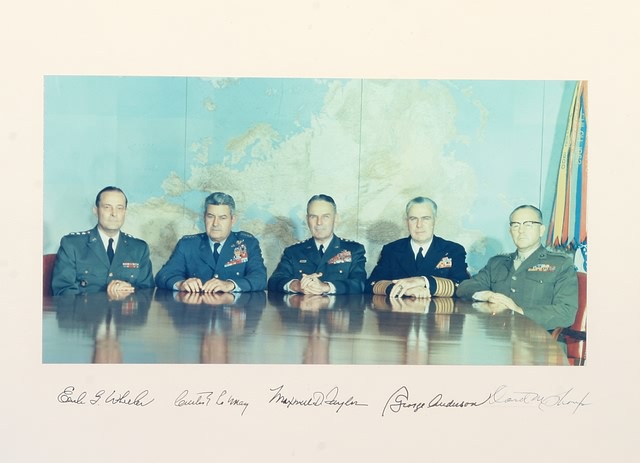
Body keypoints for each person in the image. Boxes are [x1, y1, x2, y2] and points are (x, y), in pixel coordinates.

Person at [456, 205, 578, 331]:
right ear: (510, 231)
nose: (521, 230)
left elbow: (566, 312)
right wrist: (486, 295)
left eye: (528, 225)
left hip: (538, 341)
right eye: (516, 225)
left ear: (541, 230)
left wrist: (519, 311)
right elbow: (464, 288)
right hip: (500, 338)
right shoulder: (497, 263)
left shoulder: (560, 264)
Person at [51, 186, 154, 296]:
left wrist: (127, 289)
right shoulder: (72, 245)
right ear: (96, 211)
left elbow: (147, 292)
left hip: (124, 312)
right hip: (85, 312)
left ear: (125, 212)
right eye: (107, 207)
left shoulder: (139, 248)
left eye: (119, 208)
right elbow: (63, 291)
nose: (114, 213)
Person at [155, 191, 267, 292]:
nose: (215, 223)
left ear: (233, 220)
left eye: (222, 218)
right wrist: (181, 284)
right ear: (204, 217)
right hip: (196, 311)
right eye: (210, 216)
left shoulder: (247, 244)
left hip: (233, 310)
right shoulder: (188, 245)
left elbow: (260, 278)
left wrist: (230, 285)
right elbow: (163, 275)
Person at [366, 196, 469, 298]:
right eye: (413, 219)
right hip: (399, 312)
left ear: (435, 221)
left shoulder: (453, 250)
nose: (419, 225)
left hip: (437, 312)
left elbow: (462, 286)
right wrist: (403, 289)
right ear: (407, 222)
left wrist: (423, 281)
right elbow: (372, 283)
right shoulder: (392, 250)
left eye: (426, 218)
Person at [268, 194, 366, 294]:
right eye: (313, 216)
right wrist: (297, 285)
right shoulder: (293, 252)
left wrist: (326, 287)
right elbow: (273, 281)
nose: (319, 222)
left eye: (326, 216)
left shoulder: (354, 250)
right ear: (307, 220)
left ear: (336, 219)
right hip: (302, 308)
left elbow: (360, 284)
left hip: (337, 308)